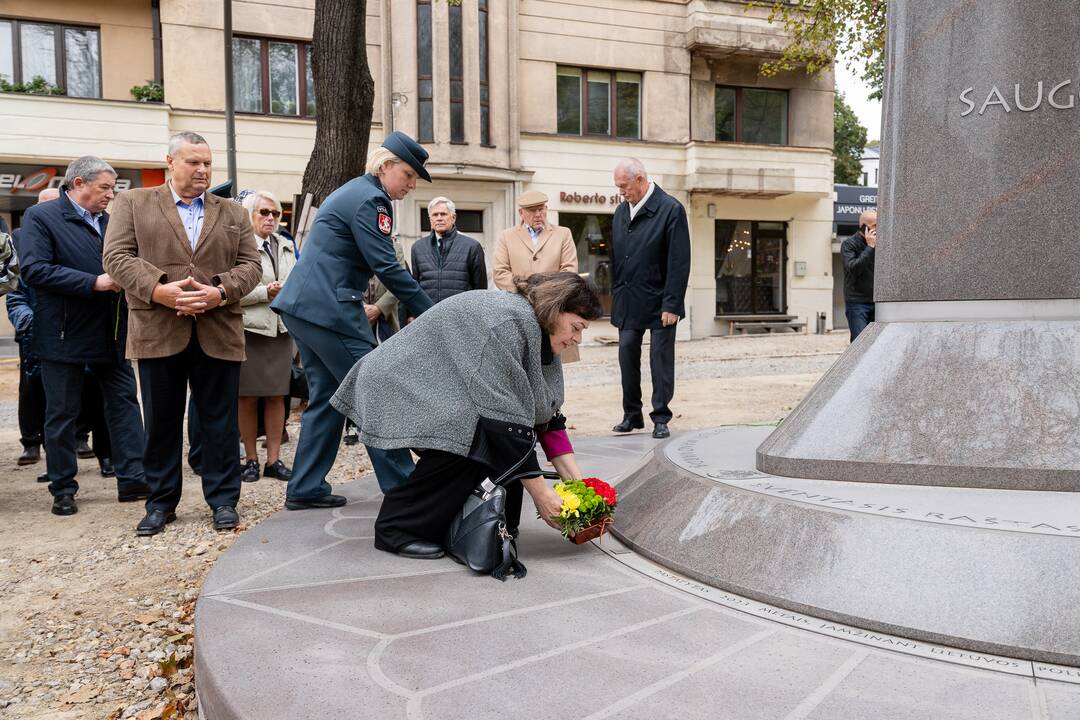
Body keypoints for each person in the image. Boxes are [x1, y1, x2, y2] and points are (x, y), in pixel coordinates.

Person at [331, 272, 603, 559]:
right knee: (469, 439)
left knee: (499, 439)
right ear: (555, 310)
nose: (578, 338)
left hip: (435, 385)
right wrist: (542, 495)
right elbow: (504, 420)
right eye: (576, 327)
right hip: (398, 382)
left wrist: (578, 487)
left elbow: (543, 413)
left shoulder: (539, 329)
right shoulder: (510, 323)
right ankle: (397, 529)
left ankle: (486, 520)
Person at [103, 131, 262, 536]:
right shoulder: (133, 202)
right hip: (158, 328)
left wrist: (221, 291)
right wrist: (157, 289)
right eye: (194, 162)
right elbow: (116, 257)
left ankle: (224, 500)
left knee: (220, 423)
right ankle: (160, 502)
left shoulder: (233, 212)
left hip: (218, 329)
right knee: (161, 422)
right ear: (170, 163)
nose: (203, 170)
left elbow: (251, 265)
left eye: (207, 163)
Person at [270, 131, 435, 508]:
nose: (411, 185)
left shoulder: (358, 191)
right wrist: (433, 312)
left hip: (307, 309)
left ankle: (306, 487)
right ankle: (405, 491)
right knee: (373, 392)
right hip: (330, 312)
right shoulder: (371, 200)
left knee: (329, 397)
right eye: (408, 175)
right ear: (386, 165)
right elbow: (387, 267)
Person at [18, 157, 151, 516]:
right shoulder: (41, 218)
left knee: (124, 403)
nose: (111, 195)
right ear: (78, 183)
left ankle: (133, 478)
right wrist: (94, 282)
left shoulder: (111, 222)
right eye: (105, 187)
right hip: (62, 332)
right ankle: (63, 488)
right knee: (62, 413)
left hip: (111, 330)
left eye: (113, 188)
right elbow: (34, 269)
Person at [609, 158, 690, 440]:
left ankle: (661, 416)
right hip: (629, 298)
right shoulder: (621, 211)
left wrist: (672, 304)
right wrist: (616, 297)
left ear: (641, 179)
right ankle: (632, 414)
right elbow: (616, 258)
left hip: (659, 301)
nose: (621, 192)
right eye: (619, 187)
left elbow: (679, 261)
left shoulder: (670, 209)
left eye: (624, 186)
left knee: (660, 359)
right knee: (627, 353)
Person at [236, 191, 297, 483]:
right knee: (246, 397)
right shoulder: (239, 247)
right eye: (263, 212)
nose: (271, 218)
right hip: (250, 330)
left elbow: (297, 282)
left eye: (275, 212)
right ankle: (250, 459)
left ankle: (273, 460)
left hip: (280, 330)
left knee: (277, 396)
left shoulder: (285, 246)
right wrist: (266, 292)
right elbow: (229, 292)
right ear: (250, 215)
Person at [492, 190, 580, 361]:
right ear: (521, 213)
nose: (539, 214)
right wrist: (526, 290)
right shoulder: (506, 236)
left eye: (542, 209)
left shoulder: (563, 234)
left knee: (553, 362)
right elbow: (500, 273)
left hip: (554, 308)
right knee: (521, 359)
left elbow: (569, 271)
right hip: (518, 307)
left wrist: (546, 293)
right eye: (533, 210)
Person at [7, 187, 58, 469]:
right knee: (31, 388)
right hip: (32, 331)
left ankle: (77, 438)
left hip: (65, 328)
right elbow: (15, 291)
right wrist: (31, 323)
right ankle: (31, 442)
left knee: (77, 387)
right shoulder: (20, 240)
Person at [410, 196, 487, 305]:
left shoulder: (472, 246)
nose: (439, 218)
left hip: (461, 316)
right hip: (428, 315)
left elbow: (480, 291)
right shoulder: (418, 248)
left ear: (453, 218)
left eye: (443, 214)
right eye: (435, 215)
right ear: (430, 219)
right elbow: (415, 286)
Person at [841, 208, 877, 341]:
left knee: (876, 341)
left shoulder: (882, 244)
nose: (878, 229)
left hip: (877, 301)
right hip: (857, 302)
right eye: (875, 226)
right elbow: (854, 268)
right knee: (860, 341)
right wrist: (870, 247)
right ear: (864, 227)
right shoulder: (849, 244)